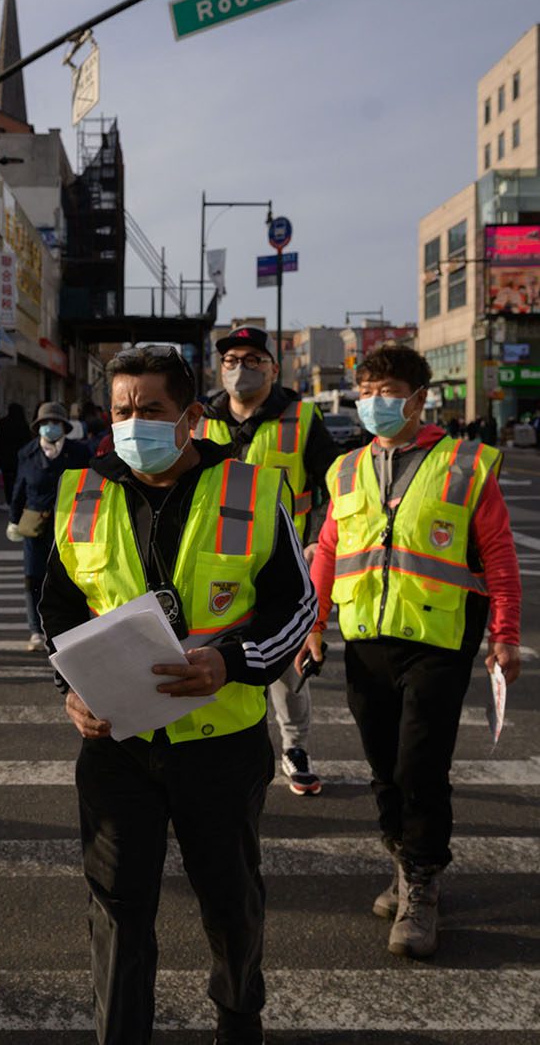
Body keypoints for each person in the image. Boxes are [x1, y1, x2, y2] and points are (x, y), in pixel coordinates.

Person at [40, 347, 315, 1045]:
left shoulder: (250, 489)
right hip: (115, 744)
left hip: (219, 745)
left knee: (230, 903)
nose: (134, 424)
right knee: (117, 910)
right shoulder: (83, 490)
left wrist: (231, 663)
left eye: (152, 411)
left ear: (191, 417)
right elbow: (59, 607)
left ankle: (237, 1019)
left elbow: (297, 606)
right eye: (123, 411)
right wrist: (70, 684)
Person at [307, 343, 522, 960]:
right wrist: (314, 625)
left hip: (438, 641)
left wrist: (505, 635)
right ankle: (401, 861)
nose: (374, 403)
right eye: (366, 392)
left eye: (387, 392)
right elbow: (329, 549)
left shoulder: (464, 464)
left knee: (419, 767)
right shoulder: (345, 468)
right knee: (382, 766)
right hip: (366, 638)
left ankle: (423, 882)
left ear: (419, 398)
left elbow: (500, 557)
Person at [201, 325, 340, 798]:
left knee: (286, 664)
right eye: (232, 359)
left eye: (253, 360)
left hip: (285, 561)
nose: (241, 368)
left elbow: (334, 487)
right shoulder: (201, 419)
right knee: (218, 659)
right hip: (217, 565)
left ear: (274, 369)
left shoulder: (301, 417)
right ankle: (222, 749)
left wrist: (318, 541)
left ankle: (295, 747)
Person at [6, 402, 90, 652]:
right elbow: (19, 488)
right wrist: (13, 519)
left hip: (70, 526)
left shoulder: (79, 453)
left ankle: (69, 629)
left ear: (64, 427)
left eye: (54, 423)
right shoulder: (27, 453)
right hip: (35, 527)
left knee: (70, 579)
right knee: (33, 579)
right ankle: (35, 630)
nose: (49, 428)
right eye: (44, 424)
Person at [0, 401, 32, 513]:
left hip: (6, 457)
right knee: (19, 481)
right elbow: (28, 441)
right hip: (20, 458)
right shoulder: (23, 424)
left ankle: (9, 501)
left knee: (7, 481)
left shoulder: (3, 423)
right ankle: (19, 501)